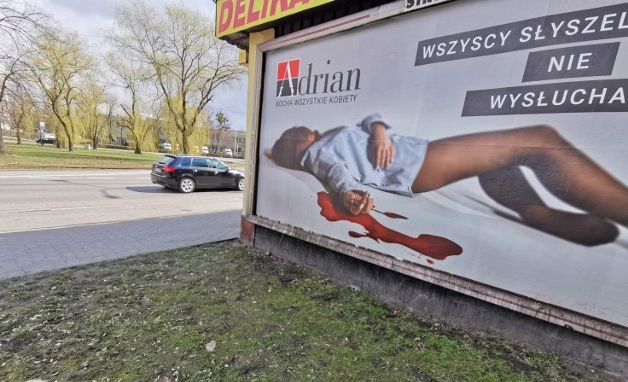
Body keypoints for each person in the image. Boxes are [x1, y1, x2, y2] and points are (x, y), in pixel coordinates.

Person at [269, 113, 628, 246]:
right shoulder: (313, 153)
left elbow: (367, 120)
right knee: (541, 140)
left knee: (495, 162)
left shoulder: (329, 134)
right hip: (418, 163)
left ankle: (535, 212)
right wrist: (348, 192)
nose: (303, 127)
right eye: (296, 131)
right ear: (296, 143)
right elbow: (335, 172)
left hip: (418, 155)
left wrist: (378, 130)